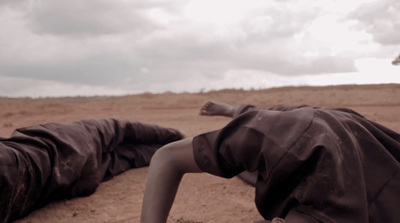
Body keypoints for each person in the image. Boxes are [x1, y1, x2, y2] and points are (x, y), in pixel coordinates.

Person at [141, 101, 400, 223]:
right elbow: (167, 157)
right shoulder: (274, 140)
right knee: (282, 118)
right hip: (336, 131)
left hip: (345, 133)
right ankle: (233, 109)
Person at [0, 118, 183, 223]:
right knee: (117, 129)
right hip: (62, 145)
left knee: (126, 157)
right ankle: (176, 139)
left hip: (68, 184)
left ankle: (170, 144)